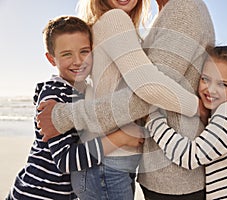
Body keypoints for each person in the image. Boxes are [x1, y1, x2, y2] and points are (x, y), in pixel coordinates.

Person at [37, 0, 215, 199]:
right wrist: (196, 106)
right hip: (108, 166)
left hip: (110, 165)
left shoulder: (111, 24)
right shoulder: (115, 19)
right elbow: (148, 86)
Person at [6, 15, 143, 200]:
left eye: (84, 51)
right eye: (67, 54)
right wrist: (121, 138)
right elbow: (66, 161)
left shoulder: (82, 90)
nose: (78, 61)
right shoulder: (54, 96)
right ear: (51, 59)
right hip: (36, 194)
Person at [145, 45, 227, 200]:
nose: (211, 89)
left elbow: (189, 157)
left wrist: (153, 120)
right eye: (205, 79)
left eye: (223, 84)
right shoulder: (224, 111)